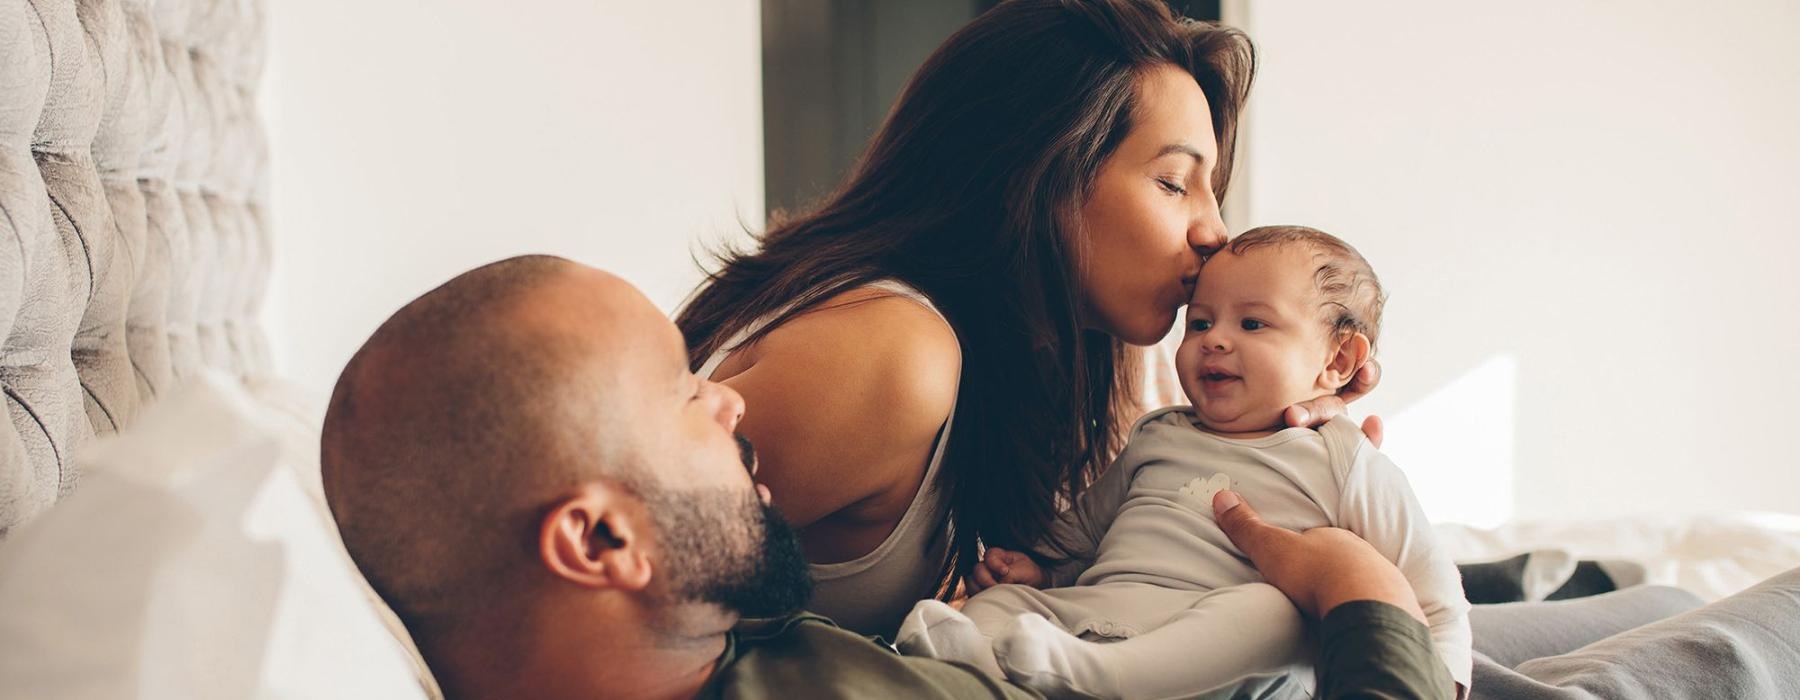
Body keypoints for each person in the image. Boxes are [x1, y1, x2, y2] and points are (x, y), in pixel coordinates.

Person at [320, 256, 1454, 699]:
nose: (730, 398)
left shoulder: (719, 646)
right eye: (683, 393)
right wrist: (1351, 584)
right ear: (599, 543)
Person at [675, 0, 1380, 640]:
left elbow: (1113, 583)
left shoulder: (1041, 358)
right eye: (1173, 182)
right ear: (1036, 173)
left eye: (1211, 192)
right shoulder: (891, 352)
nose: (1216, 234)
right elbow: (606, 596)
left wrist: (1280, 449)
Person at [896, 226, 1471, 699]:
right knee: (1004, 603)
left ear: (1339, 359)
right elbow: (1084, 533)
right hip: (1093, 619)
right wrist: (1038, 570)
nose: (1213, 341)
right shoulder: (1158, 434)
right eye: (1199, 322)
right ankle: (974, 665)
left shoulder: (1344, 459)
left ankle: (1102, 679)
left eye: (1252, 323)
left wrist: (1445, 680)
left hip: (1211, 660)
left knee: (1276, 612)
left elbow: (1429, 592)